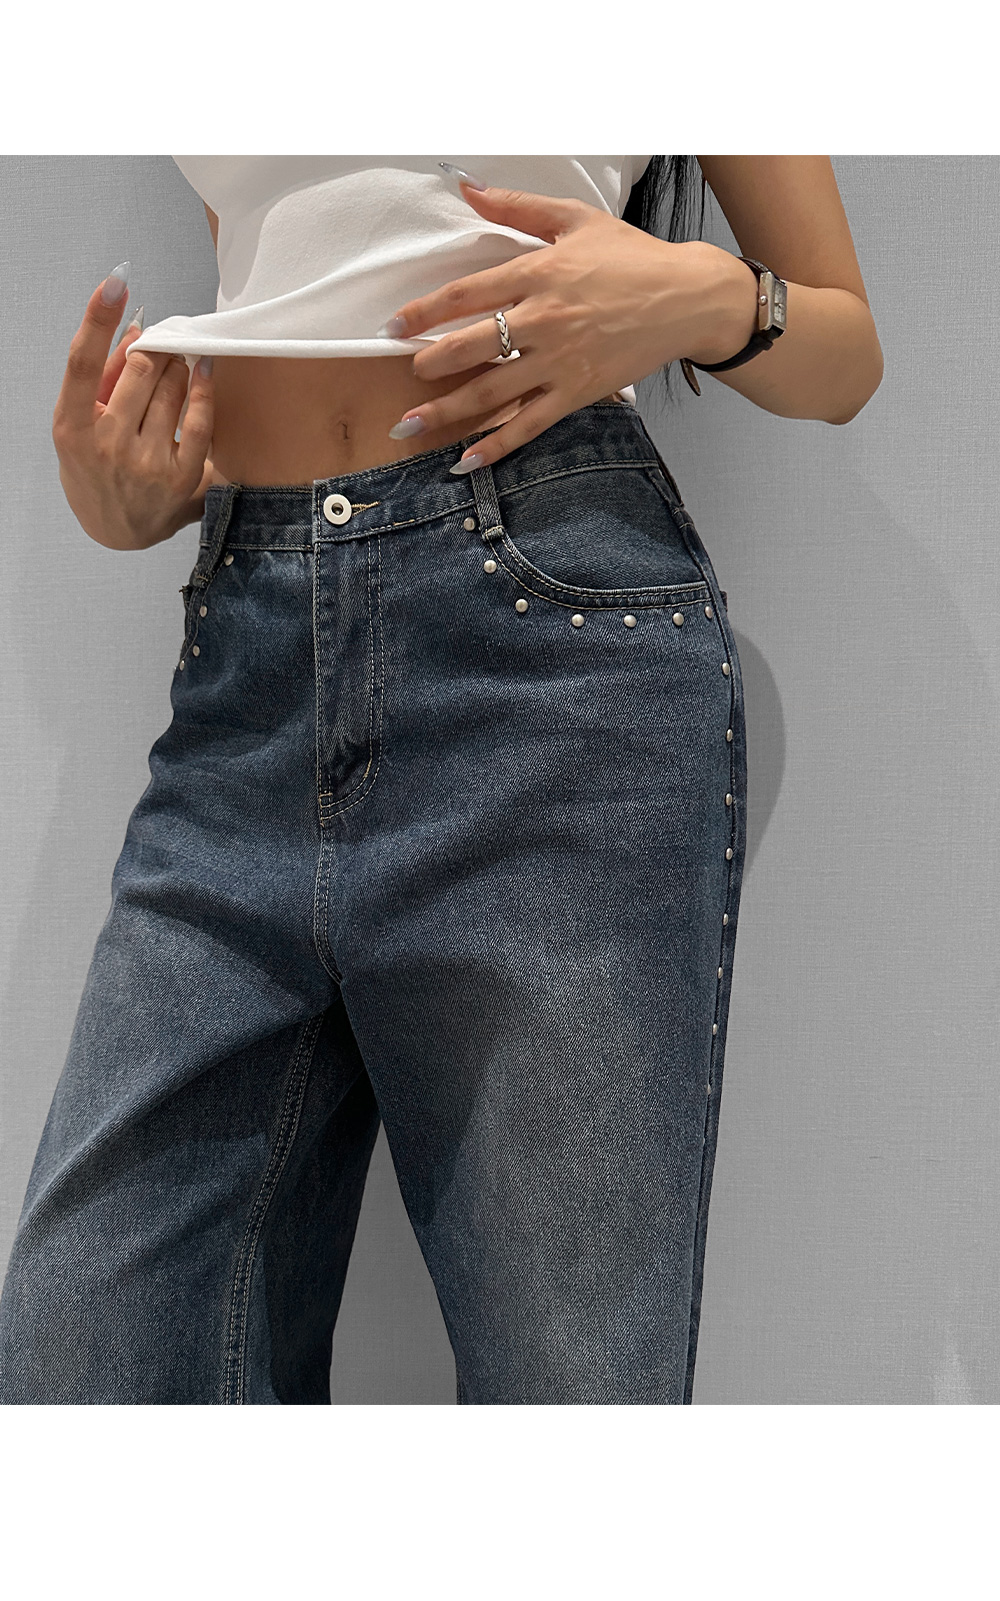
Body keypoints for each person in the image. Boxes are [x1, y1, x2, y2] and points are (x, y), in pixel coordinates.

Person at [0, 156, 882, 1405]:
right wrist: (140, 493)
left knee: (568, 1389)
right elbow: (301, 289)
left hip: (546, 656)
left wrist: (701, 296)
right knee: (88, 1355)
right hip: (250, 656)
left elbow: (842, 351)